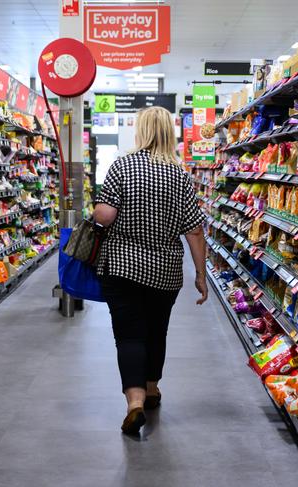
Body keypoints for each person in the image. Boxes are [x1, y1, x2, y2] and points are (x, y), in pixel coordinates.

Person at [92, 106, 207, 435]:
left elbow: (105, 216)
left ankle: (135, 403)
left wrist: (98, 209)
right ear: (170, 133)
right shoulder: (180, 175)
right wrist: (200, 275)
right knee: (157, 332)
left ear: (140, 130)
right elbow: (194, 231)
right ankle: (153, 388)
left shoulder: (123, 166)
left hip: (122, 266)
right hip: (165, 271)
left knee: (129, 335)